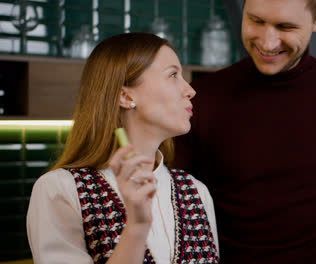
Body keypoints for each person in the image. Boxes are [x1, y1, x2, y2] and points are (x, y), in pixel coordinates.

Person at [174, 0, 316, 263]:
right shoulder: (204, 96)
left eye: (286, 27)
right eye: (256, 21)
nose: (267, 43)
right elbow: (175, 201)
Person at [26, 32, 219, 264]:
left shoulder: (196, 192)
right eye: (173, 75)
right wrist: (137, 227)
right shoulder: (60, 191)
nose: (190, 90)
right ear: (125, 96)